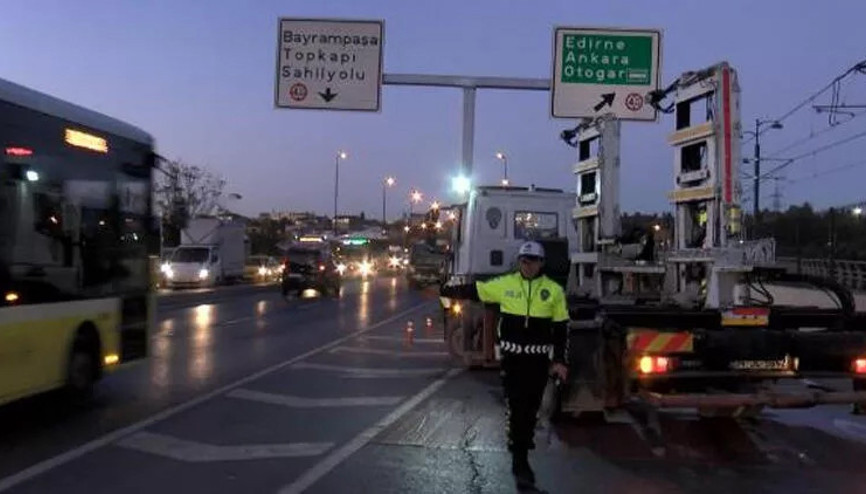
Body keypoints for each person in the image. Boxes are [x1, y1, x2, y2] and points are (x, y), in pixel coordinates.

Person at [440, 240, 569, 489]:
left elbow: (562, 328)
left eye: (532, 261)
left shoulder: (553, 291)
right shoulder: (505, 285)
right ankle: (520, 461)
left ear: (541, 263)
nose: (527, 266)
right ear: (519, 262)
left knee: (531, 408)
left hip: (538, 361)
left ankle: (522, 447)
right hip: (513, 360)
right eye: (523, 261)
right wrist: (448, 290)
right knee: (517, 406)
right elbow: (476, 290)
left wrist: (560, 361)